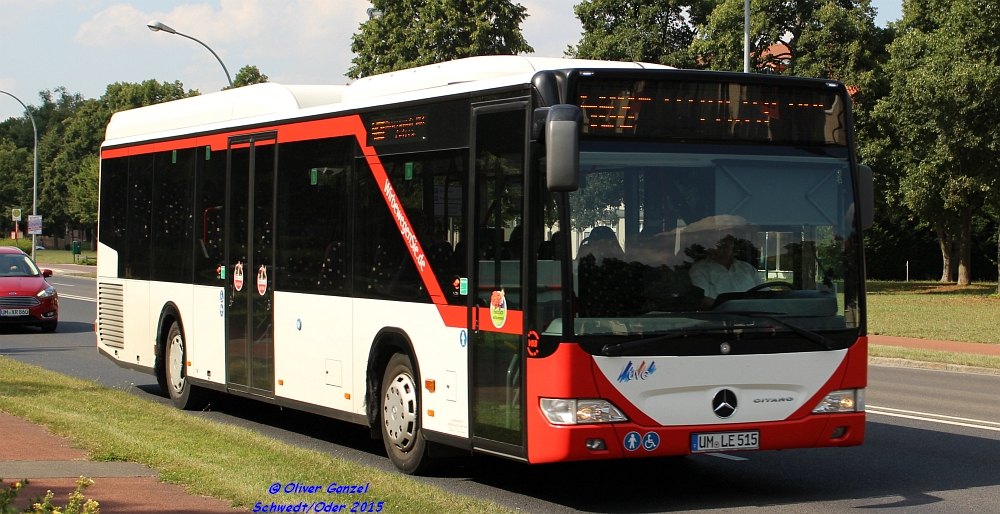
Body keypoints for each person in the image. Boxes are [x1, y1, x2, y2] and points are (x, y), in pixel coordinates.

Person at [689, 234, 761, 309]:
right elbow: (704, 300)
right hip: (718, 317)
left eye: (729, 242)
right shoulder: (700, 269)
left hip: (754, 315)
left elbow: (765, 293)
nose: (726, 246)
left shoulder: (746, 267)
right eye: (722, 243)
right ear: (711, 245)